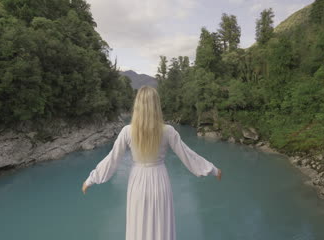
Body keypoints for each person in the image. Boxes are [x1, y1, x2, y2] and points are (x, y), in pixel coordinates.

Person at [82, 85, 222, 240]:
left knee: (138, 225)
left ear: (137, 106)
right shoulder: (167, 131)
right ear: (156, 106)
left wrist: (92, 178)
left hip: (137, 183)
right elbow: (187, 155)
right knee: (161, 226)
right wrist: (212, 169)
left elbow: (112, 159)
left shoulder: (127, 131)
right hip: (160, 180)